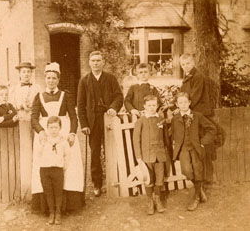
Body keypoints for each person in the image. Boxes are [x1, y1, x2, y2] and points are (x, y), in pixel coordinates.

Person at [31, 62, 84, 214]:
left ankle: (68, 205)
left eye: (54, 78)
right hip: (45, 134)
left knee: (68, 165)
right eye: (48, 78)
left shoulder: (65, 95)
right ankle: (47, 206)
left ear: (58, 80)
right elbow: (34, 118)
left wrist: (72, 133)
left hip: (64, 132)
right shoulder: (39, 97)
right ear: (45, 79)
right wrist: (40, 131)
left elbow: (73, 117)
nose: (51, 81)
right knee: (45, 165)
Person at [77, 51, 123, 197]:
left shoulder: (110, 79)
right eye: (93, 60)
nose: (96, 63)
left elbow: (118, 96)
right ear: (89, 62)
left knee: (112, 150)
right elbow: (80, 104)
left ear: (103, 62)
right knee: (95, 153)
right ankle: (97, 184)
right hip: (93, 121)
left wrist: (113, 108)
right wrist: (84, 124)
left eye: (98, 60)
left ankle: (114, 180)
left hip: (108, 118)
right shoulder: (84, 81)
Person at [171, 92, 216, 211]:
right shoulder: (175, 118)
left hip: (196, 148)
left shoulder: (198, 116)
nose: (183, 104)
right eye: (180, 102)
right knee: (187, 171)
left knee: (197, 170)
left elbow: (211, 129)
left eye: (185, 102)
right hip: (183, 148)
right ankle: (199, 189)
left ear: (189, 103)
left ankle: (196, 197)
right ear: (177, 104)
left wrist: (203, 142)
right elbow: (173, 132)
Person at [179, 53, 215, 187]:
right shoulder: (187, 77)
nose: (185, 66)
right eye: (183, 64)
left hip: (199, 113)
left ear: (193, 62)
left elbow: (194, 96)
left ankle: (205, 180)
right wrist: (174, 103)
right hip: (191, 111)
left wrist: (182, 108)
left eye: (187, 63)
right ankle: (199, 181)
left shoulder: (198, 76)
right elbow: (183, 94)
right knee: (194, 147)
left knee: (200, 146)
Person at [133, 95, 167, 215]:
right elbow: (136, 140)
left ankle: (157, 199)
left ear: (157, 106)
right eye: (149, 105)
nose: (152, 108)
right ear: (144, 106)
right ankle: (150, 201)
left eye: (154, 105)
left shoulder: (160, 119)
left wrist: (165, 151)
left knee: (159, 178)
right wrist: (139, 157)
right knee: (149, 179)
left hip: (160, 154)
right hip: (147, 155)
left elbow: (165, 137)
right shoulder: (141, 121)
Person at [38, 116, 69, 225]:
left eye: (56, 127)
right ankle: (51, 212)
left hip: (57, 170)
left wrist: (63, 167)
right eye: (51, 128)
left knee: (58, 192)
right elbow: (39, 154)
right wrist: (42, 144)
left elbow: (67, 156)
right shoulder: (44, 140)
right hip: (45, 170)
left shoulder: (63, 141)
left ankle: (58, 213)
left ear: (60, 128)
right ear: (47, 128)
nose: (53, 130)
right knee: (48, 192)